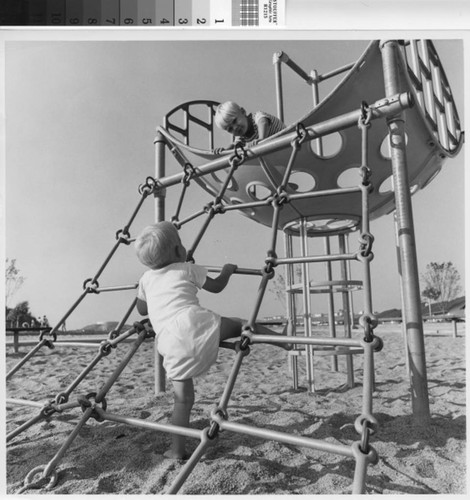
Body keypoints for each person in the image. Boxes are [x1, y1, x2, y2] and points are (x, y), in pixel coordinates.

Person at [134, 221, 291, 459]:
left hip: (169, 341)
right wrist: (227, 270)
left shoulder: (146, 279)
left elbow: (141, 309)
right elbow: (217, 287)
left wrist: (146, 293)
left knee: (182, 401)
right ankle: (284, 342)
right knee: (242, 325)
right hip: (196, 323)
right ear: (179, 251)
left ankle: (177, 451)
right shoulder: (186, 268)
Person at [213, 101, 285, 153]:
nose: (235, 128)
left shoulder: (256, 117)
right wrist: (224, 151)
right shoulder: (241, 137)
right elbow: (234, 146)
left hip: (287, 140)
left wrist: (261, 139)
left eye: (235, 121)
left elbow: (263, 122)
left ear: (243, 112)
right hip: (277, 152)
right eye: (230, 129)